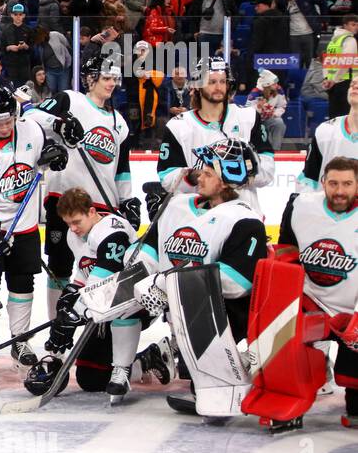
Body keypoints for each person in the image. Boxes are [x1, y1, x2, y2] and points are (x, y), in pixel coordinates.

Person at [135, 140, 268, 421]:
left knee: (201, 310)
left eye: (208, 173)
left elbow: (236, 284)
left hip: (225, 316)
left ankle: (231, 372)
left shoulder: (246, 220)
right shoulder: (177, 206)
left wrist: (166, 284)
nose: (199, 178)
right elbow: (144, 257)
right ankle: (170, 353)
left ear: (226, 180)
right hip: (182, 312)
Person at [0, 84, 68, 365]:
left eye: (8, 120)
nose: (4, 126)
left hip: (24, 226)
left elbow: (50, 145)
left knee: (22, 282)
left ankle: (20, 341)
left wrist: (56, 153)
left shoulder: (31, 130)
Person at [24, 187, 166, 402]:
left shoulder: (112, 231)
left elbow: (103, 286)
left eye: (76, 222)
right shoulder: (76, 236)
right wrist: (68, 300)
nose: (72, 229)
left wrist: (72, 316)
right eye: (68, 224)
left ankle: (125, 369)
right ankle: (148, 360)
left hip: (137, 303)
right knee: (91, 378)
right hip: (104, 308)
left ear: (91, 212)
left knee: (118, 309)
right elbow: (84, 274)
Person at [23, 55, 138, 317]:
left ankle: (94, 323)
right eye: (106, 78)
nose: (111, 84)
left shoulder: (119, 121)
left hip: (100, 205)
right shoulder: (70, 100)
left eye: (114, 79)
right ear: (91, 78)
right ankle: (58, 323)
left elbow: (121, 167)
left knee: (97, 268)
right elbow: (29, 113)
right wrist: (59, 124)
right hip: (63, 199)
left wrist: (127, 199)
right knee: (60, 265)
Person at [278, 157, 358, 429]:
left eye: (347, 184)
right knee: (281, 339)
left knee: (354, 383)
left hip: (353, 312)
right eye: (333, 183)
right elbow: (286, 255)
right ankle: (291, 396)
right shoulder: (301, 206)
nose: (339, 191)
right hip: (311, 302)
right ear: (322, 183)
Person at [157, 56, 274, 214]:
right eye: (211, 82)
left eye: (222, 81)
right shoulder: (178, 126)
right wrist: (197, 175)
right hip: (198, 218)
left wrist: (240, 173)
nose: (218, 87)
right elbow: (167, 177)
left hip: (243, 215)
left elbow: (268, 171)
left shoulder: (249, 117)